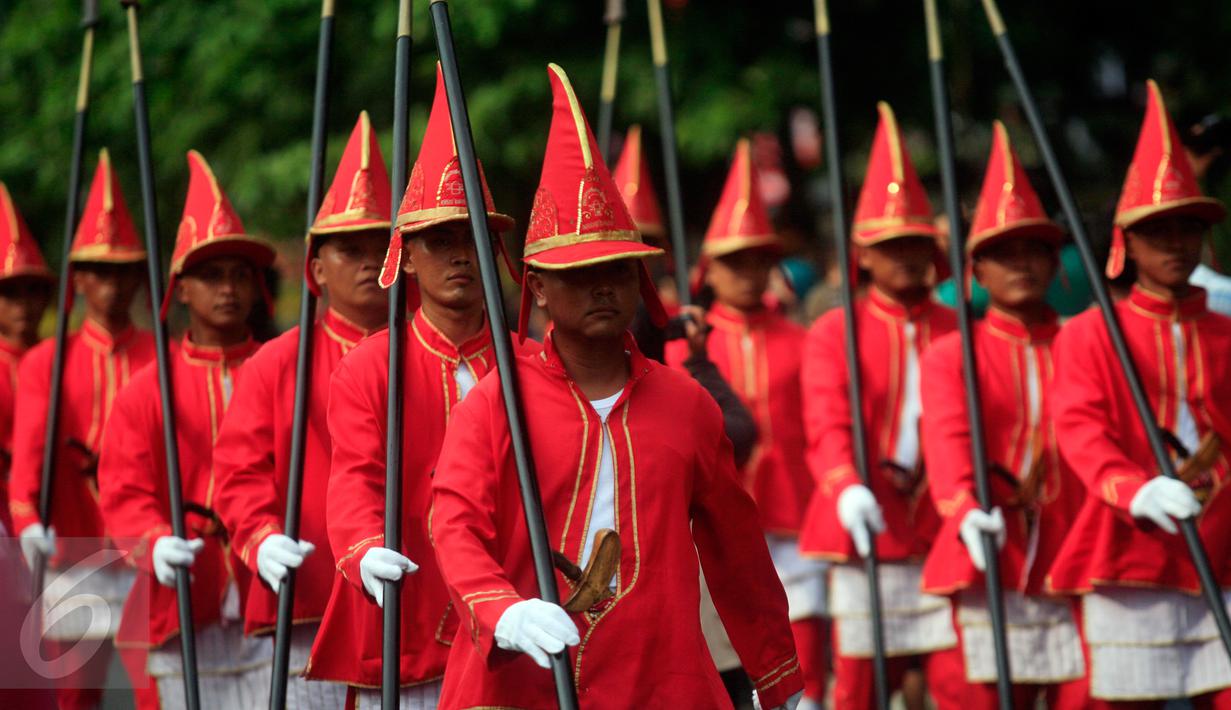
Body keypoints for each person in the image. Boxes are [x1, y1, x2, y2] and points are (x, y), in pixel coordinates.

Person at [429, 63, 803, 710]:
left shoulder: (686, 404)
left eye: (617, 269)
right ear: (537, 288)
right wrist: (502, 610)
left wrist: (776, 675)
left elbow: (736, 551)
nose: (602, 286)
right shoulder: (497, 399)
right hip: (523, 673)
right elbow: (453, 522)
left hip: (661, 678)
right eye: (579, 273)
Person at [302, 66, 528, 709]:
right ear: (408, 256)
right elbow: (354, 478)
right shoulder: (373, 367)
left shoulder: (530, 363)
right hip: (409, 612)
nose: (460, 255)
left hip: (518, 622)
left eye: (473, 239)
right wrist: (364, 546)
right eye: (441, 240)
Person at [1049, 79, 1231, 708]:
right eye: (1160, 233)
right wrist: (1132, 485)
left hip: (1226, 540)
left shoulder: (1227, 330)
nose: (1178, 245)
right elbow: (1077, 425)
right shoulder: (1090, 333)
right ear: (1127, 243)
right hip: (1130, 541)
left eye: (1189, 229)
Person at [211, 111, 390, 708]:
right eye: (350, 249)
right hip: (309, 596)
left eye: (382, 247)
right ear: (316, 270)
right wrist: (261, 537)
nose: (370, 262)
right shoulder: (276, 364)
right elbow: (237, 474)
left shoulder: (428, 356)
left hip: (412, 597)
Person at [97, 150, 277, 708]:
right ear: (181, 289)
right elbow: (124, 491)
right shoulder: (148, 390)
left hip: (273, 591)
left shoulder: (283, 371)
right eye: (211, 275)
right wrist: (153, 542)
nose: (228, 289)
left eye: (239, 275)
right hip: (184, 593)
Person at [799, 102, 963, 710]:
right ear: (863, 254)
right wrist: (845, 485)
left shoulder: (957, 327)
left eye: (916, 243)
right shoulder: (834, 331)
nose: (906, 256)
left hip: (944, 525)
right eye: (890, 245)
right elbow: (826, 420)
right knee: (862, 683)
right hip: (866, 520)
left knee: (955, 680)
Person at [920, 122, 1088, 708]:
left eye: (1034, 249)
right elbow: (946, 441)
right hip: (986, 548)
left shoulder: (1086, 340)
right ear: (976, 270)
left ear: (1055, 260)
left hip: (1078, 551)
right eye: (1002, 252)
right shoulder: (951, 354)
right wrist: (964, 507)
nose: (1021, 263)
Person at [665, 138, 827, 710]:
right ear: (711, 267)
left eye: (760, 260)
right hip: (716, 514)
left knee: (802, 654)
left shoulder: (803, 340)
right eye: (736, 261)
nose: (750, 273)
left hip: (792, 509)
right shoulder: (687, 346)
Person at [8, 149, 155, 709]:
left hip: (146, 550)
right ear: (78, 280)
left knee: (153, 691)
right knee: (75, 693)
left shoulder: (159, 356)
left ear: (140, 277)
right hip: (75, 544)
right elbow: (28, 456)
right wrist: (27, 518)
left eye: (122, 270)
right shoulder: (51, 360)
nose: (111, 285)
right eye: (98, 271)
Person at [0, 183, 54, 534]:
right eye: (10, 293)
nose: (24, 304)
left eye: (33, 291)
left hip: (58, 519)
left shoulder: (60, 361)